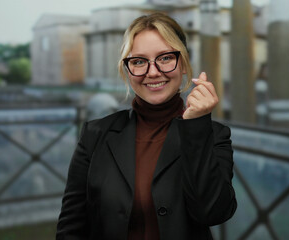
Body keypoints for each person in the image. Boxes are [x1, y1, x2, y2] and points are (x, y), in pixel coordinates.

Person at [56, 12, 237, 240]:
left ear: (183, 64)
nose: (152, 72)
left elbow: (213, 212)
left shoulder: (213, 135)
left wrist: (196, 126)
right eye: (139, 61)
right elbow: (70, 228)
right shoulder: (95, 134)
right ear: (127, 71)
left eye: (165, 58)